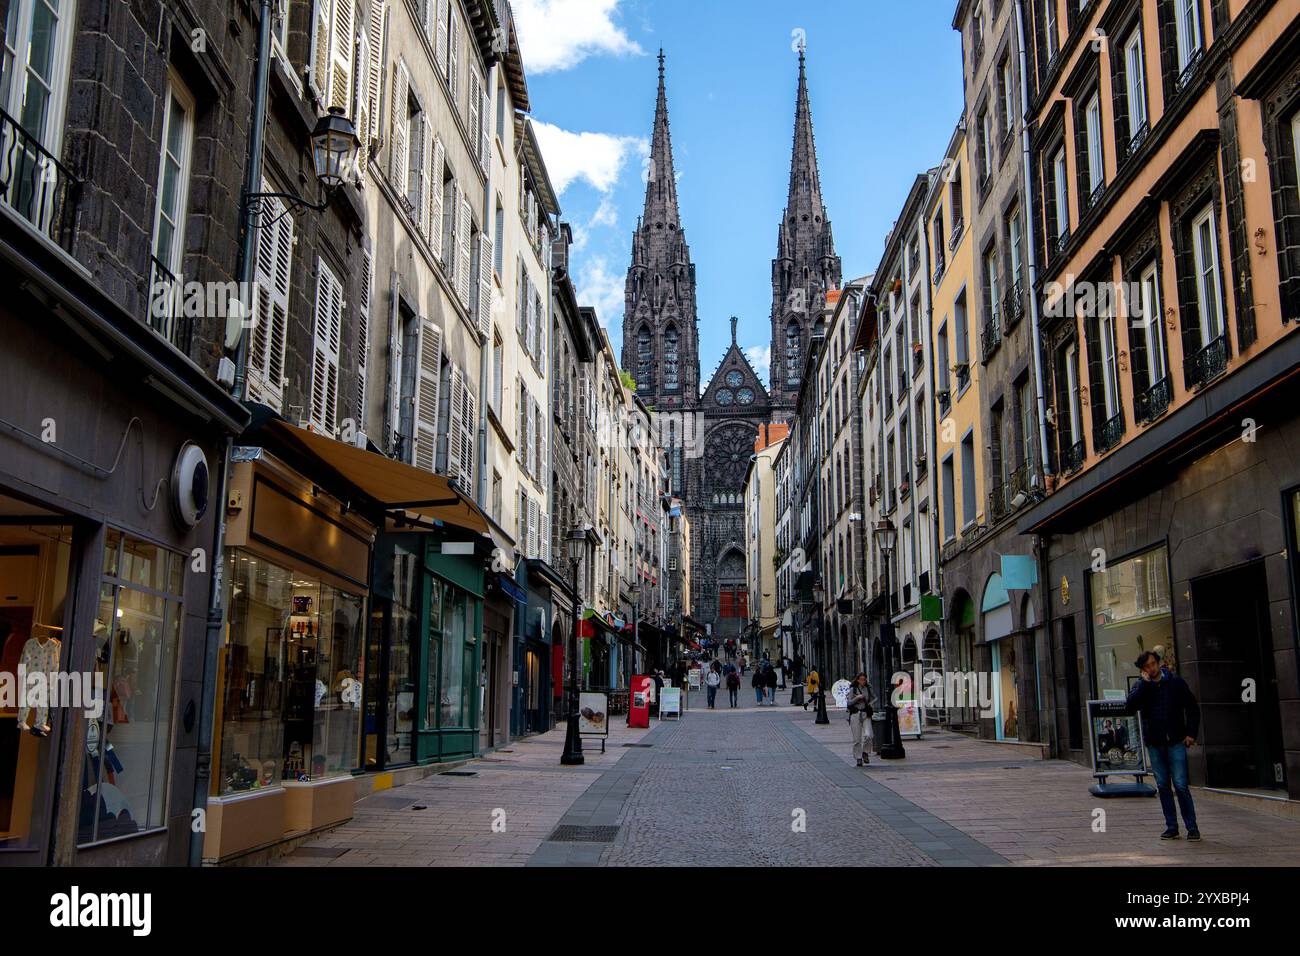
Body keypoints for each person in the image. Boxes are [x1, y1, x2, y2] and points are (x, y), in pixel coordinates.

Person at [1126, 650, 1201, 841]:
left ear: (1158, 663)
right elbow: (1130, 707)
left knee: (1181, 785)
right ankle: (1172, 827)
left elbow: (1192, 707)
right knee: (1163, 786)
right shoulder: (1141, 686)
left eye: (1153, 664)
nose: (1151, 668)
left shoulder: (1175, 683)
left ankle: (1192, 827)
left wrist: (1191, 733)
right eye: (1146, 667)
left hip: (1176, 740)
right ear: (1143, 670)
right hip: (1155, 743)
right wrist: (1144, 684)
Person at [846, 672, 874, 766]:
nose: (863, 681)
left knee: (869, 735)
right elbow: (849, 703)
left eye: (864, 679)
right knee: (857, 739)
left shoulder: (868, 688)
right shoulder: (853, 689)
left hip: (865, 713)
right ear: (857, 680)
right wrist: (857, 697)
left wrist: (870, 703)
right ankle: (858, 757)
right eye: (861, 679)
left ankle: (865, 752)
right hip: (855, 714)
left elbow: (874, 698)